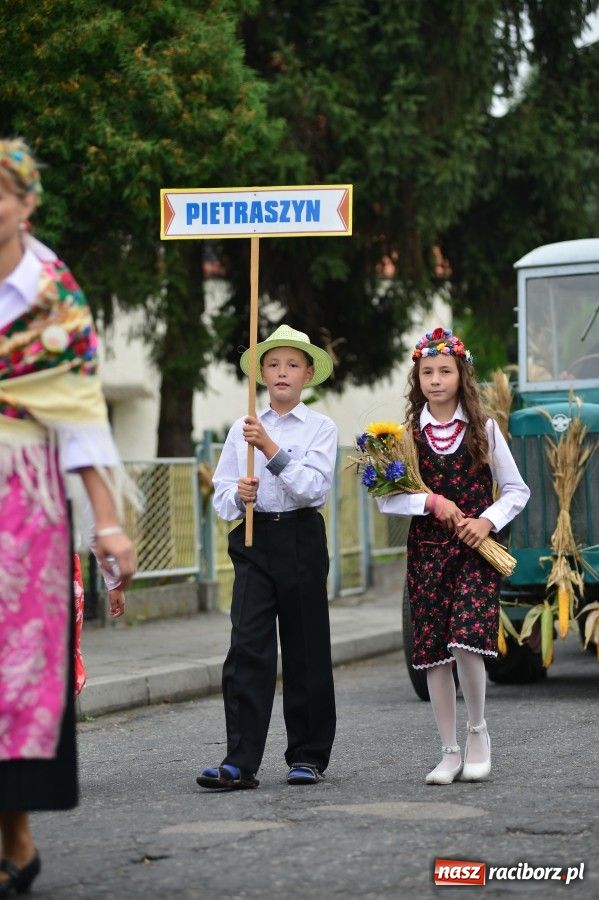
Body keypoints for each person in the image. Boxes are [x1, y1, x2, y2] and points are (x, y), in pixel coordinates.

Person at [0, 137, 137, 894]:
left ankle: (15, 828)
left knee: (18, 669)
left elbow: (81, 417)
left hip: (24, 495)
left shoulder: (55, 296)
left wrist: (108, 523)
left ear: (25, 204)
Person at [377, 327, 529, 785]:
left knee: (466, 640)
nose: (436, 380)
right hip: (427, 553)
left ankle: (478, 732)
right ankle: (448, 750)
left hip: (476, 552)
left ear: (461, 376)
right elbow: (387, 498)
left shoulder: (484, 429)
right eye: (427, 372)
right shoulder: (405, 437)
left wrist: (487, 521)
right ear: (417, 378)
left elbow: (518, 490)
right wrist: (429, 502)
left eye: (445, 371)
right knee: (434, 653)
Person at [196, 324, 338, 790]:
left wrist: (271, 451)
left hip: (300, 538)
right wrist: (240, 494)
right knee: (247, 648)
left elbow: (315, 488)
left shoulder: (321, 427)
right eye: (273, 364)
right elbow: (220, 500)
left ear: (308, 373)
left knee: (305, 648)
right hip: (254, 540)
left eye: (292, 364)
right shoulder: (243, 427)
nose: (282, 372)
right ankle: (240, 760)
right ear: (260, 372)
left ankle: (308, 755)